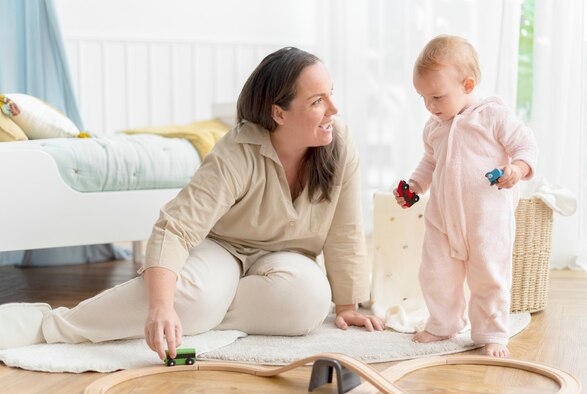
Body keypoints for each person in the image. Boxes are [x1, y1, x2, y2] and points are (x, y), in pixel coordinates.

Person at [0, 47, 384, 358]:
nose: (333, 109)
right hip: (223, 247)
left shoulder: (338, 142)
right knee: (189, 299)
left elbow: (346, 228)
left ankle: (202, 310)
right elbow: (176, 227)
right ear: (278, 113)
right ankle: (49, 325)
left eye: (332, 94)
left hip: (286, 257)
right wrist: (162, 307)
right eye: (318, 100)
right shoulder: (237, 150)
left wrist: (347, 303)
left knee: (309, 303)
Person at [394, 35, 537, 357]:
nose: (430, 106)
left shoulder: (494, 117)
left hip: (486, 219)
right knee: (435, 274)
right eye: (423, 98)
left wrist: (517, 168)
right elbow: (430, 161)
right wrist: (415, 186)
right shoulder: (435, 126)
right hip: (443, 218)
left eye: (437, 97)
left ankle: (491, 332)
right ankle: (443, 323)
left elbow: (526, 146)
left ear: (468, 85)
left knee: (488, 276)